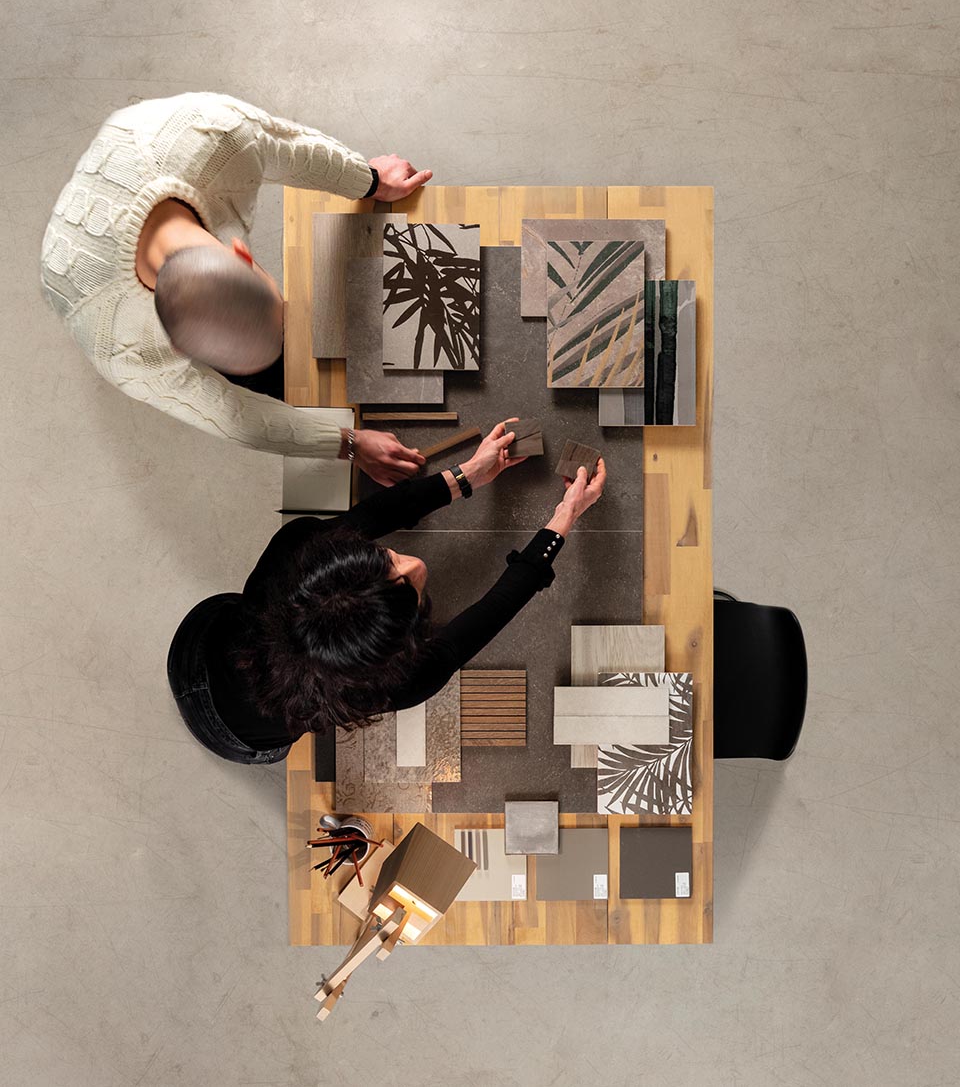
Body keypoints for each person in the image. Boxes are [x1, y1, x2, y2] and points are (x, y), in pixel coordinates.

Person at [40, 91, 432, 484]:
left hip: (141, 146)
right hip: (80, 275)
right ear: (178, 349)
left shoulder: (211, 132)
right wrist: (348, 443)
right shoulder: (124, 352)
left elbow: (289, 149)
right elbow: (228, 412)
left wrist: (370, 181)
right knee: (279, 379)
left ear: (242, 255)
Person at [166, 420, 607, 763]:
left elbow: (372, 514)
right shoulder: (399, 684)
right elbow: (493, 611)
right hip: (238, 735)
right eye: (408, 594)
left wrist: (468, 474)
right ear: (390, 652)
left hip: (198, 644)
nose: (415, 563)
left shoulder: (296, 549)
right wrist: (563, 521)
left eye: (385, 559)